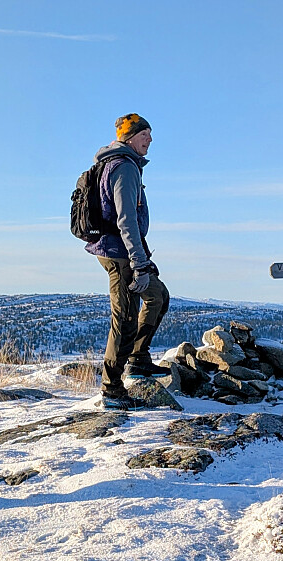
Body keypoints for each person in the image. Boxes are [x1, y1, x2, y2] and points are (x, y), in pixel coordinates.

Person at [85, 114, 170, 410]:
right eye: (145, 133)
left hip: (122, 249)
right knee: (124, 319)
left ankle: (138, 359)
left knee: (157, 295)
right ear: (130, 137)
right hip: (120, 253)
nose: (149, 139)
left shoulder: (121, 164)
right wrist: (139, 263)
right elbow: (126, 220)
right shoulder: (124, 167)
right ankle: (112, 389)